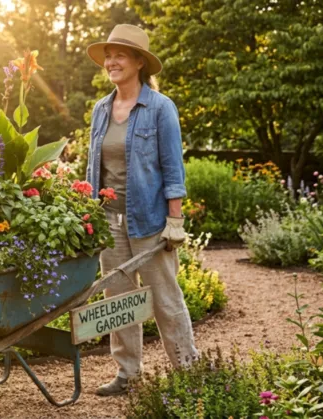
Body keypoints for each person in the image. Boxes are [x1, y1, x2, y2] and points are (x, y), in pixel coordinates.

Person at [84, 24, 199, 396]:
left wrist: (175, 219)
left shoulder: (160, 108)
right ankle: (128, 373)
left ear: (138, 62)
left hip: (148, 221)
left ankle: (188, 371)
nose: (111, 62)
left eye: (119, 55)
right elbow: (93, 168)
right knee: (119, 301)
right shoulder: (101, 110)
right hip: (109, 221)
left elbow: (172, 167)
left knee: (165, 299)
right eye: (108, 56)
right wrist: (89, 212)